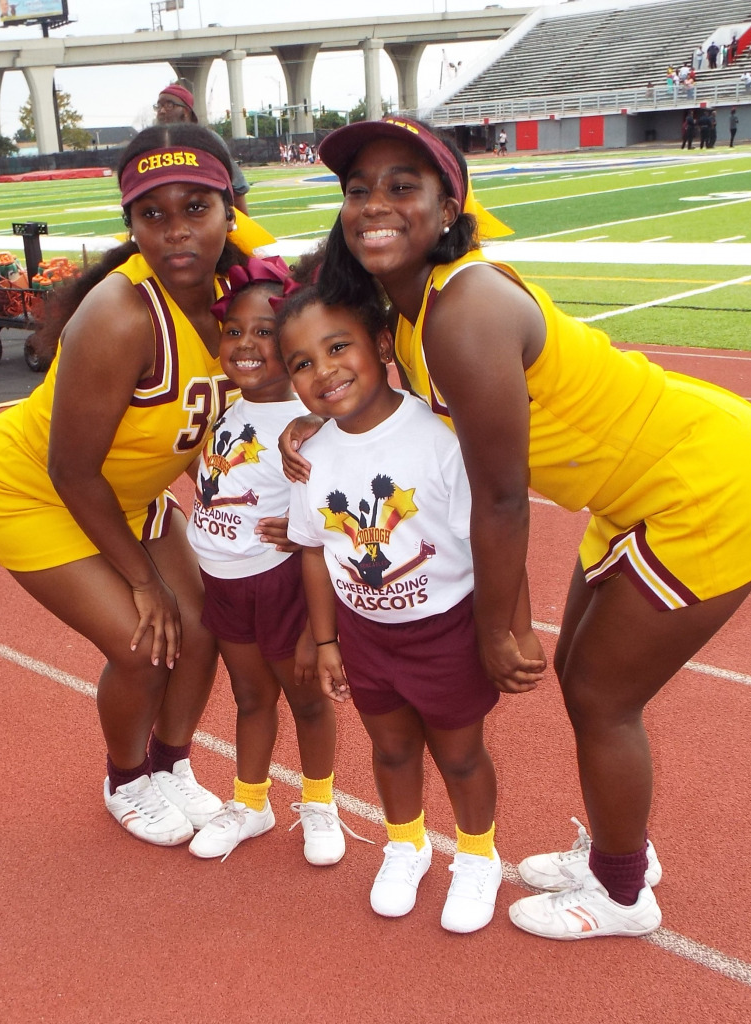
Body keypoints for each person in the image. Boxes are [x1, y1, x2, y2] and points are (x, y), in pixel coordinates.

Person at [286, 116, 751, 940]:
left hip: (703, 481)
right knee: (581, 675)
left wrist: (498, 626)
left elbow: (500, 498)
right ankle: (617, 850)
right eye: (358, 191)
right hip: (641, 483)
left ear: (447, 205)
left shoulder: (463, 310)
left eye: (401, 187)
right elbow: (314, 322)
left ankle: (623, 893)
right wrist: (301, 425)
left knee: (603, 696)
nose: (374, 205)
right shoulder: (418, 305)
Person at [0, 124, 265, 848]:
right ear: (130, 224)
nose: (175, 232)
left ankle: (169, 763)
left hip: (127, 493)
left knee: (206, 627)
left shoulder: (245, 295)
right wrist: (143, 582)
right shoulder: (121, 316)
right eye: (151, 215)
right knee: (144, 641)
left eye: (196, 208)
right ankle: (125, 778)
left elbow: (200, 423)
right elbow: (71, 469)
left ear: (232, 208)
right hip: (33, 490)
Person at [279, 277, 541, 934]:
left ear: (382, 342)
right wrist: (327, 639)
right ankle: (406, 844)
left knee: (459, 754)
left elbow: (494, 538)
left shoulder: (440, 440)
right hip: (367, 636)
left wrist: (513, 630)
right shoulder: (309, 457)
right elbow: (313, 549)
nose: (324, 371)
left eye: (339, 347)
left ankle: (478, 856)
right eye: (303, 363)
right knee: (390, 750)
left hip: (446, 630)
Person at [184, 256, 353, 865]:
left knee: (306, 699)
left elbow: (333, 517)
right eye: (235, 332)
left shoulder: (308, 427)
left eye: (265, 333)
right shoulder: (227, 408)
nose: (247, 345)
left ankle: (320, 803)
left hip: (279, 584)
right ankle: (250, 803)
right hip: (224, 582)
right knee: (250, 698)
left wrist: (318, 622)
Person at [154, 82, 250, 214]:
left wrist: (241, 228)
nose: (162, 111)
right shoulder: (155, 145)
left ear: (186, 111)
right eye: (159, 106)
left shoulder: (208, 140)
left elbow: (237, 187)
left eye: (169, 105)